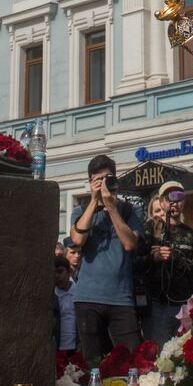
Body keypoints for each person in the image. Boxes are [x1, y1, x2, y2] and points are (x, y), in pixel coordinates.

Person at [67, 155, 143, 361]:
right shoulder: (80, 211)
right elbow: (77, 239)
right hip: (87, 298)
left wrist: (111, 207)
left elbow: (129, 243)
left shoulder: (130, 210)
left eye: (108, 178)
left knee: (131, 361)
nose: (104, 184)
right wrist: (94, 200)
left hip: (121, 298)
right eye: (98, 180)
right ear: (91, 181)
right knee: (92, 363)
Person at [139, 180, 193, 345]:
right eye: (169, 198)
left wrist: (177, 257)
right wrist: (154, 258)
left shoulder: (190, 233)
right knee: (158, 355)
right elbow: (135, 263)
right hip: (157, 305)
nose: (174, 203)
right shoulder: (150, 229)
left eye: (179, 198)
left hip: (183, 305)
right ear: (161, 201)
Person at [53, 254, 78, 373]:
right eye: (53, 273)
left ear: (69, 272)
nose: (56, 276)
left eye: (60, 271)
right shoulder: (51, 296)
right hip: (58, 348)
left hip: (76, 347)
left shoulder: (79, 293)